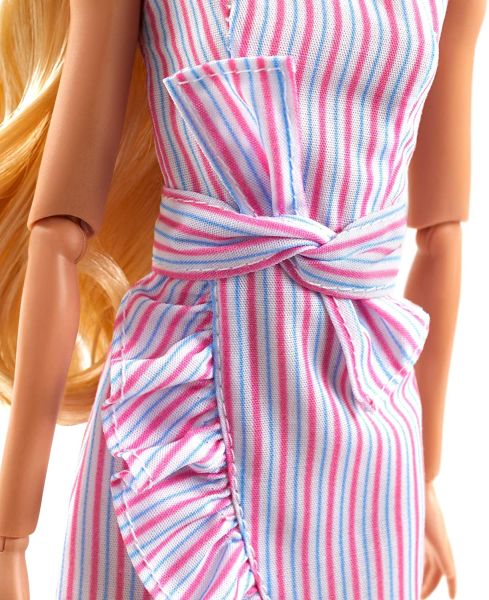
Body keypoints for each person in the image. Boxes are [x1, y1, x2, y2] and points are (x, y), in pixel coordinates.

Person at [0, 0, 486, 598]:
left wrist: (426, 476)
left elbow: (441, 236)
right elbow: (59, 233)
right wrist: (12, 532)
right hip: (191, 421)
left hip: (367, 455)